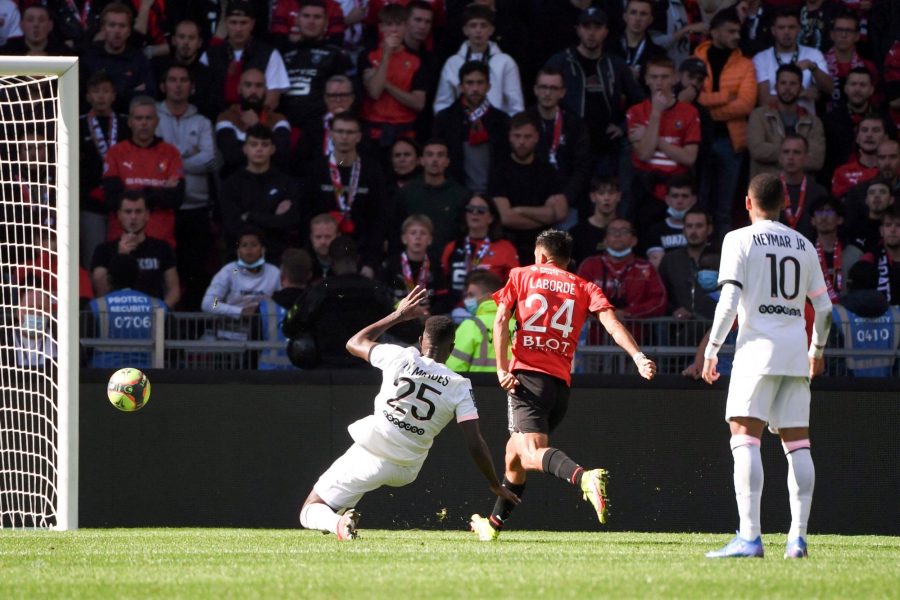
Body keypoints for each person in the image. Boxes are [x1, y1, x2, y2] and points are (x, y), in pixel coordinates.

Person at [469, 229, 656, 541]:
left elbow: (500, 320)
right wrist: (637, 357)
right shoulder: (584, 286)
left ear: (541, 256)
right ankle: (493, 525)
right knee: (513, 457)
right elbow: (612, 324)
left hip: (526, 378)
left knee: (531, 454)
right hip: (559, 388)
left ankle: (585, 478)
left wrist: (501, 368)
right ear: (569, 260)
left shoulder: (521, 275)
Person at [298, 285, 519, 540]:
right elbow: (475, 443)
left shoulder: (401, 357)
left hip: (372, 450)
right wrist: (493, 482)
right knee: (341, 500)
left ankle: (339, 524)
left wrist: (398, 316)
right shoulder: (460, 386)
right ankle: (342, 518)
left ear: (420, 341)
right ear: (452, 347)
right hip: (406, 468)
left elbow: (354, 343)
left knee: (310, 509)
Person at [701, 173, 833, 559]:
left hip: (756, 350)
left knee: (744, 437)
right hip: (795, 352)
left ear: (747, 203)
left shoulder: (738, 239)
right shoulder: (805, 245)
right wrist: (817, 351)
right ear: (784, 203)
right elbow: (824, 309)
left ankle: (750, 537)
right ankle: (798, 539)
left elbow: (728, 302)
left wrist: (711, 349)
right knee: (798, 444)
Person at [544, 7, 644, 179]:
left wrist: (623, 126)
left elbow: (641, 102)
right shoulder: (560, 62)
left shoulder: (616, 65)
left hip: (605, 148)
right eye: (586, 27)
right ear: (578, 30)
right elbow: (543, 97)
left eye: (597, 27)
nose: (591, 33)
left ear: (606, 31)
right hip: (568, 144)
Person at [155, 64, 216, 311]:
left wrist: (171, 161)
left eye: (183, 80)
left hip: (196, 207)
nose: (178, 85)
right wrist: (190, 155)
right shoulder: (154, 117)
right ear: (163, 85)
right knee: (165, 269)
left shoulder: (202, 121)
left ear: (191, 86)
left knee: (194, 270)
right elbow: (153, 162)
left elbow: (209, 159)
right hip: (163, 208)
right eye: (172, 79)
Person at [282, 236, 396, 368]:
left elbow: (289, 326)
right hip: (368, 371)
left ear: (330, 261)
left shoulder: (318, 290)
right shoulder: (377, 290)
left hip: (327, 372)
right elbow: (404, 327)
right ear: (358, 259)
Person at [305, 112, 387, 277]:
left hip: (360, 254)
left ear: (358, 136)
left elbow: (379, 219)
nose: (344, 137)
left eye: (350, 132)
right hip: (322, 256)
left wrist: (370, 263)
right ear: (331, 134)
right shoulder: (316, 169)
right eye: (340, 131)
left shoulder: (372, 171)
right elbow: (306, 214)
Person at [627, 55, 701, 230]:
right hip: (646, 190)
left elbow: (689, 158)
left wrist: (654, 138)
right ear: (646, 79)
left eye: (665, 77)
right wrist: (656, 114)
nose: (659, 82)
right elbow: (644, 154)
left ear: (675, 78)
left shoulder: (689, 112)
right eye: (654, 77)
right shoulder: (636, 112)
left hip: (679, 190)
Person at [102, 95, 185, 249]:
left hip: (162, 241)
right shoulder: (115, 153)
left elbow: (176, 198)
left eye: (149, 118)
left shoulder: (171, 153)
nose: (144, 123)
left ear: (157, 121)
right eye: (139, 118)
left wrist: (131, 193)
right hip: (122, 240)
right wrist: (159, 192)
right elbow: (112, 199)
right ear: (130, 122)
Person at [490, 112, 567, 264]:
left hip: (544, 248)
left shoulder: (548, 171)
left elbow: (559, 213)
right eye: (517, 136)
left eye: (527, 136)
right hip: (509, 245)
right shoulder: (499, 171)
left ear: (536, 137)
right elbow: (505, 217)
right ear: (510, 137)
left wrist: (519, 210)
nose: (522, 142)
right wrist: (544, 215)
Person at [220, 124, 302, 266]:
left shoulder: (286, 183)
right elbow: (232, 226)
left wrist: (250, 216)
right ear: (245, 149)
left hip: (277, 257)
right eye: (253, 144)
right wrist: (272, 218)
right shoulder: (231, 184)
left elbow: (290, 221)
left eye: (265, 145)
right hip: (238, 260)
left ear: (272, 149)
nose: (259, 149)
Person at [90, 191, 180, 309]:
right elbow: (101, 292)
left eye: (138, 211)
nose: (133, 217)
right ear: (119, 215)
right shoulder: (104, 250)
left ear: (147, 215)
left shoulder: (162, 248)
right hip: (117, 316)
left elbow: (174, 290)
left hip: (152, 317)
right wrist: (121, 257)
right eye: (128, 212)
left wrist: (159, 312)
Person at [432, 61, 510, 195]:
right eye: (469, 83)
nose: (475, 88)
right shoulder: (445, 119)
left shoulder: (502, 120)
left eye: (480, 83)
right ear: (461, 87)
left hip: (494, 194)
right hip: (455, 194)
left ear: (488, 86)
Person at [201, 0, 290, 116]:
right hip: (216, 120)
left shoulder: (270, 54)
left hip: (257, 122)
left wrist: (252, 122)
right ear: (226, 23)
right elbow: (203, 95)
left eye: (243, 23)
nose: (238, 29)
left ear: (252, 24)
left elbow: (273, 98)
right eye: (233, 22)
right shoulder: (210, 55)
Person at [434, 4, 523, 117]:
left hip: (497, 128)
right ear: (465, 30)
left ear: (491, 30)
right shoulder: (453, 63)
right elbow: (443, 103)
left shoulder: (506, 62)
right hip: (460, 128)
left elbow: (515, 105)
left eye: (483, 25)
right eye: (473, 25)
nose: (478, 30)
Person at [359, 4, 427, 153]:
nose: (394, 29)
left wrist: (387, 85)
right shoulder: (367, 55)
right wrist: (387, 54)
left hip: (404, 129)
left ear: (406, 27)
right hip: (373, 128)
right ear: (381, 27)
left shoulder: (417, 59)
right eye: (389, 24)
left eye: (399, 24)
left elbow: (418, 103)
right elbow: (375, 92)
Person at [79, 72, 130, 270]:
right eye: (95, 91)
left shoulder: (127, 123)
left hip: (123, 200)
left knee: (123, 254)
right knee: (93, 256)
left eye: (106, 91)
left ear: (114, 95)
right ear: (87, 96)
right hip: (90, 202)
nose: (101, 96)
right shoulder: (78, 123)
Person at [527, 67, 593, 218]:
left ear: (562, 92)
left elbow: (583, 168)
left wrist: (566, 197)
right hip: (531, 200)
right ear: (535, 90)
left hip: (567, 202)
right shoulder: (523, 121)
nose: (547, 93)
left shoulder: (575, 125)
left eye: (553, 88)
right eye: (543, 87)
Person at [277, 0, 352, 129]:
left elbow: (348, 97)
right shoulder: (281, 54)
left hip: (320, 127)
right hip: (284, 125)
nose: (311, 21)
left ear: (326, 23)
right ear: (297, 20)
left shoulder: (337, 56)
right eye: (306, 16)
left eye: (317, 17)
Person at [577, 218, 668, 319]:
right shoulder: (590, 265)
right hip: (597, 332)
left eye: (624, 231)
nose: (617, 235)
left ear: (634, 240)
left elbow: (659, 301)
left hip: (634, 332)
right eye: (612, 231)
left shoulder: (646, 267)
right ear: (605, 240)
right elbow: (578, 297)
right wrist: (603, 314)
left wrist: (628, 313)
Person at [88, 253, 167, 369]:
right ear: (138, 277)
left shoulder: (97, 306)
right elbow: (173, 351)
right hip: (149, 374)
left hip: (103, 375)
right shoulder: (159, 305)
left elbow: (84, 347)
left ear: (109, 279)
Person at [392, 139, 470, 256]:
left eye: (440, 155)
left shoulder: (461, 195)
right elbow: (395, 230)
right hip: (413, 260)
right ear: (422, 160)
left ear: (447, 161)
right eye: (429, 155)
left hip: (449, 260)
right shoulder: (407, 192)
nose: (434, 160)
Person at [440, 194, 519, 308]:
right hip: (455, 311)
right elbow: (443, 282)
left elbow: (513, 286)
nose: (475, 213)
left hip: (492, 310)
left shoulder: (506, 248)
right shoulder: (452, 247)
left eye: (481, 210)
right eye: (470, 209)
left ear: (491, 217)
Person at [747, 64, 825, 178]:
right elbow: (757, 150)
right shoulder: (759, 115)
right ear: (776, 86)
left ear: (801, 88)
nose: (787, 88)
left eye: (793, 84)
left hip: (800, 189)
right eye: (783, 83)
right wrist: (797, 154)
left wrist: (779, 155)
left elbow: (816, 160)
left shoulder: (813, 122)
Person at [215, 67, 292, 179]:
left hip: (271, 182)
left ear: (265, 90)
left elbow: (281, 156)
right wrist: (266, 148)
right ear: (239, 89)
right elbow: (232, 158)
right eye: (248, 85)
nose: (253, 91)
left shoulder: (278, 119)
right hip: (238, 183)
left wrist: (256, 126)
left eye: (259, 86)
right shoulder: (227, 117)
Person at [752, 8, 831, 115]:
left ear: (799, 29)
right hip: (772, 126)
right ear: (773, 31)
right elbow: (764, 101)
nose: (786, 32)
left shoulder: (813, 55)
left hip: (805, 125)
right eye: (781, 27)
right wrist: (801, 94)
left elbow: (829, 89)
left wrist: (813, 67)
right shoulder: (761, 58)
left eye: (791, 27)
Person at [80, 3, 155, 114]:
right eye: (112, 25)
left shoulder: (139, 60)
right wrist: (129, 93)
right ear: (103, 29)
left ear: (129, 30)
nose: (117, 31)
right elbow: (82, 98)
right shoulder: (89, 59)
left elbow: (148, 96)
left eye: (122, 26)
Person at [832, 261, 900, 377]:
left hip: (845, 392)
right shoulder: (895, 315)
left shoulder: (836, 315)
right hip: (890, 391)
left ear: (850, 284)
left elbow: (832, 365)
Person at [202, 227, 281, 318]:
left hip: (263, 330)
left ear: (262, 249)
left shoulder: (273, 272)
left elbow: (282, 302)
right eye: (244, 245)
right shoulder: (230, 271)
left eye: (254, 245)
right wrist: (240, 312)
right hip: (231, 330)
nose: (249, 249)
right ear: (238, 251)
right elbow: (211, 303)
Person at [658, 208, 719, 320]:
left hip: (713, 326)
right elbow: (660, 294)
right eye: (689, 226)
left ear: (709, 229)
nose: (693, 231)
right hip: (677, 328)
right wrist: (674, 310)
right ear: (683, 229)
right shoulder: (670, 260)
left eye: (699, 226)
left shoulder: (721, 258)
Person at [257, 248, 312, 370]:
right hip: (306, 379)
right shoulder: (316, 306)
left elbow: (252, 348)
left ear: (282, 275)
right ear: (309, 275)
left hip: (268, 379)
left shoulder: (264, 307)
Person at [445, 270, 506, 372]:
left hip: (476, 386)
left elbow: (453, 368)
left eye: (471, 295)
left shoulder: (471, 325)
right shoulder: (516, 325)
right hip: (511, 386)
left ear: (489, 297)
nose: (467, 300)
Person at [807, 195, 861, 304]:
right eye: (819, 212)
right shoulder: (804, 253)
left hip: (848, 313)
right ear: (812, 220)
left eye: (829, 212)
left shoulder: (855, 254)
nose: (823, 217)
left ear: (840, 219)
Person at [776, 133, 830, 241]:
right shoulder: (768, 190)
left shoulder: (819, 192)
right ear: (780, 157)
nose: (790, 157)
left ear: (806, 158)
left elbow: (827, 227)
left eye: (796, 152)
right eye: (786, 152)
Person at [641, 177, 698, 268]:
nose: (680, 201)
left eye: (685, 196)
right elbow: (657, 265)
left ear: (694, 200)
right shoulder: (656, 231)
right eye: (675, 196)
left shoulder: (702, 229)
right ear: (667, 199)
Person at [568, 176, 621, 266]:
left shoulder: (626, 231)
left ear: (618, 196)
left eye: (611, 193)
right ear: (593, 197)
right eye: (601, 193)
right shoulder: (577, 233)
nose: (606, 198)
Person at [858, 204, 900, 305]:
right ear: (881, 231)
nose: (893, 230)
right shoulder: (868, 260)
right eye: (888, 225)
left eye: (898, 225)